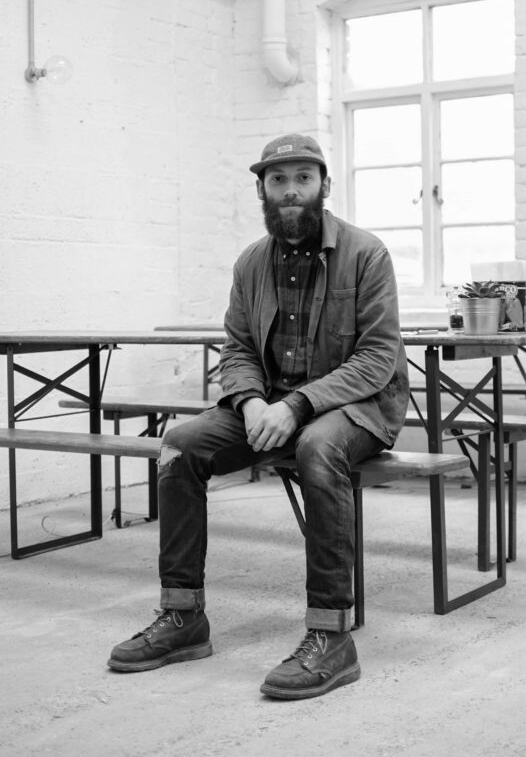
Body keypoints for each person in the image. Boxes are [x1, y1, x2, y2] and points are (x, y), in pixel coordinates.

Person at [108, 133, 409, 699]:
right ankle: (183, 618)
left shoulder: (367, 254)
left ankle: (332, 637)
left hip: (357, 407)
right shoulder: (251, 262)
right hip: (268, 403)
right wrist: (250, 403)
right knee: (180, 445)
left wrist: (296, 406)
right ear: (262, 191)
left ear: (325, 185)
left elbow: (377, 358)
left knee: (317, 448)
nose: (290, 190)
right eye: (278, 180)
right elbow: (239, 347)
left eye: (302, 178)